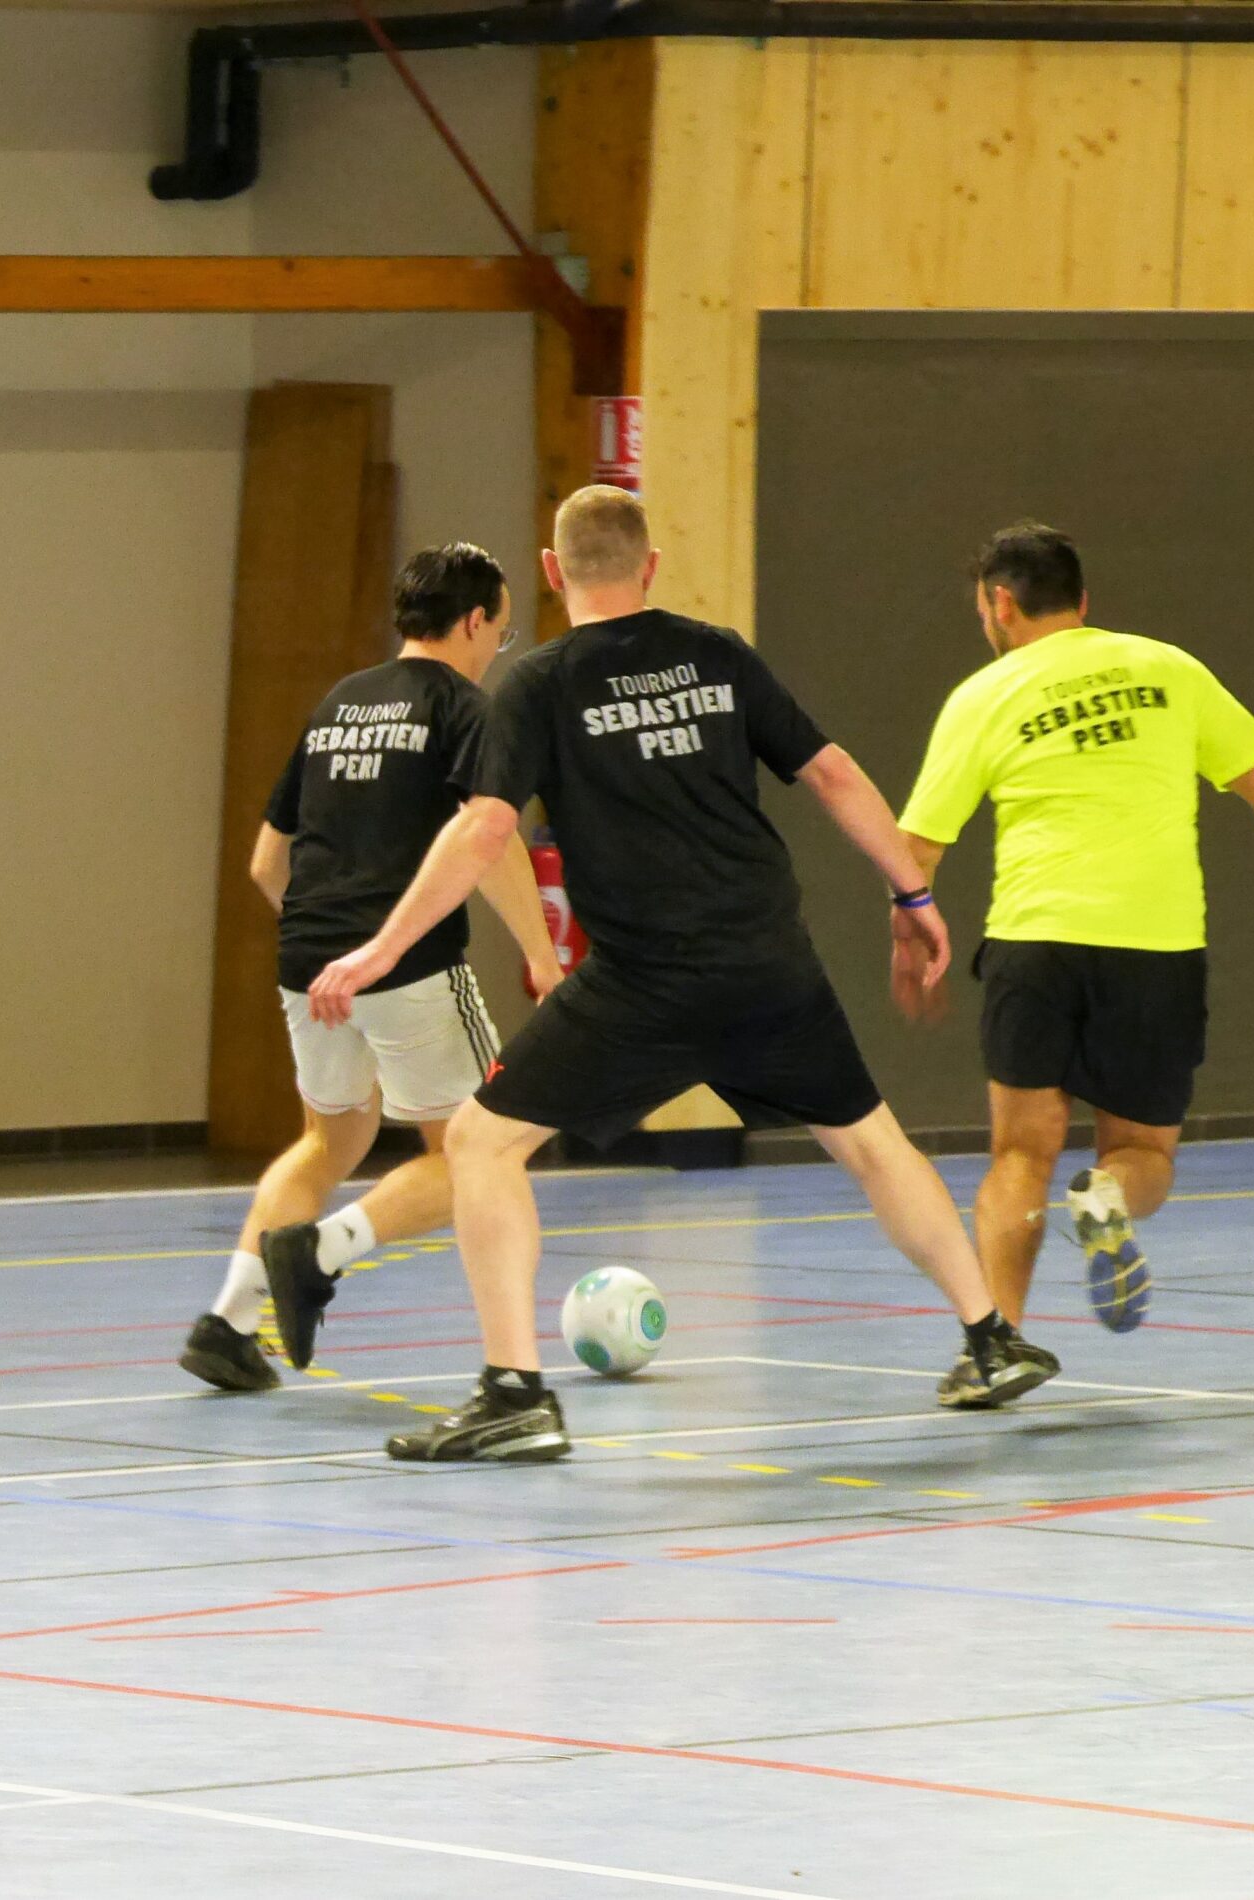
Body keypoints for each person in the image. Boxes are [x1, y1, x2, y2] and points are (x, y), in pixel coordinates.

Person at [309, 487, 1060, 1462]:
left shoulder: (534, 683)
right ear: (650, 566)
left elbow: (483, 827)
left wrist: (376, 948)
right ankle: (989, 1338)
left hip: (644, 984)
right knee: (870, 1140)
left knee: (482, 1142)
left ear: (550, 571)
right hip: (768, 963)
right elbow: (831, 773)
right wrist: (913, 897)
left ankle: (512, 1394)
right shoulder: (718, 653)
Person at [899, 523, 1254, 1332]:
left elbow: (919, 848)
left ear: (1001, 605)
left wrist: (912, 936)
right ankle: (1104, 1198)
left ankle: (997, 1343)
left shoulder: (983, 696)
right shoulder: (1167, 668)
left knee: (1019, 1155)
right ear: (1083, 601)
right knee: (1143, 1151)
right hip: (1156, 947)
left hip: (1035, 942)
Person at [182, 545, 563, 1393]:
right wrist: (540, 953)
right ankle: (319, 1250)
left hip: (310, 959)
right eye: (498, 635)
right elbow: (486, 837)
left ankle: (228, 1323)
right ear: (474, 623)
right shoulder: (467, 708)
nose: (493, 650)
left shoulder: (336, 705)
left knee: (331, 1140)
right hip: (406, 963)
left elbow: (265, 862)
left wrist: (328, 947)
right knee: (479, 1149)